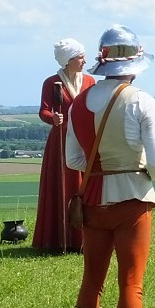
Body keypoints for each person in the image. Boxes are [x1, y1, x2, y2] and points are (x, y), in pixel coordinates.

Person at [65, 25, 155, 308]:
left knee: (92, 278)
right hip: (133, 199)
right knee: (131, 281)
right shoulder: (141, 101)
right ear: (134, 65)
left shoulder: (80, 102)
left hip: (93, 200)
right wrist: (137, 170)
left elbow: (74, 160)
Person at [32, 38, 95, 253]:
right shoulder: (51, 83)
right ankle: (58, 239)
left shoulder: (89, 82)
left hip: (83, 138)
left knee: (84, 186)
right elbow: (44, 110)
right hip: (60, 139)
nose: (84, 61)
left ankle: (85, 239)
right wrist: (53, 119)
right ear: (67, 61)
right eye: (80, 57)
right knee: (62, 186)